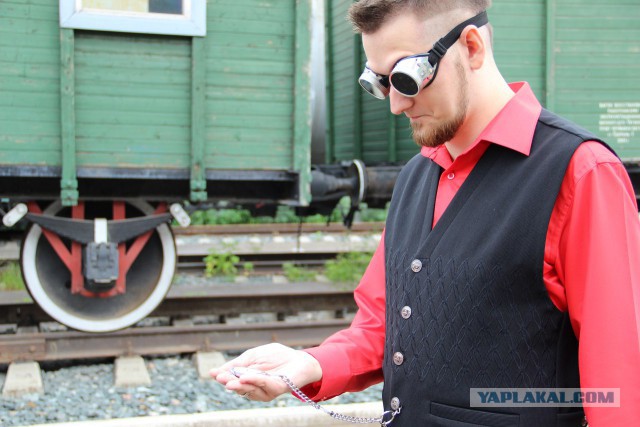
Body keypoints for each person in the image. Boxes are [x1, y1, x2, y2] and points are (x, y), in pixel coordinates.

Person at [211, 1, 640, 425]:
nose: (396, 105)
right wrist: (308, 365)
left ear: (471, 47)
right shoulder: (416, 176)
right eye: (379, 82)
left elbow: (619, 379)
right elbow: (384, 326)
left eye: (407, 77)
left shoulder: (580, 171)